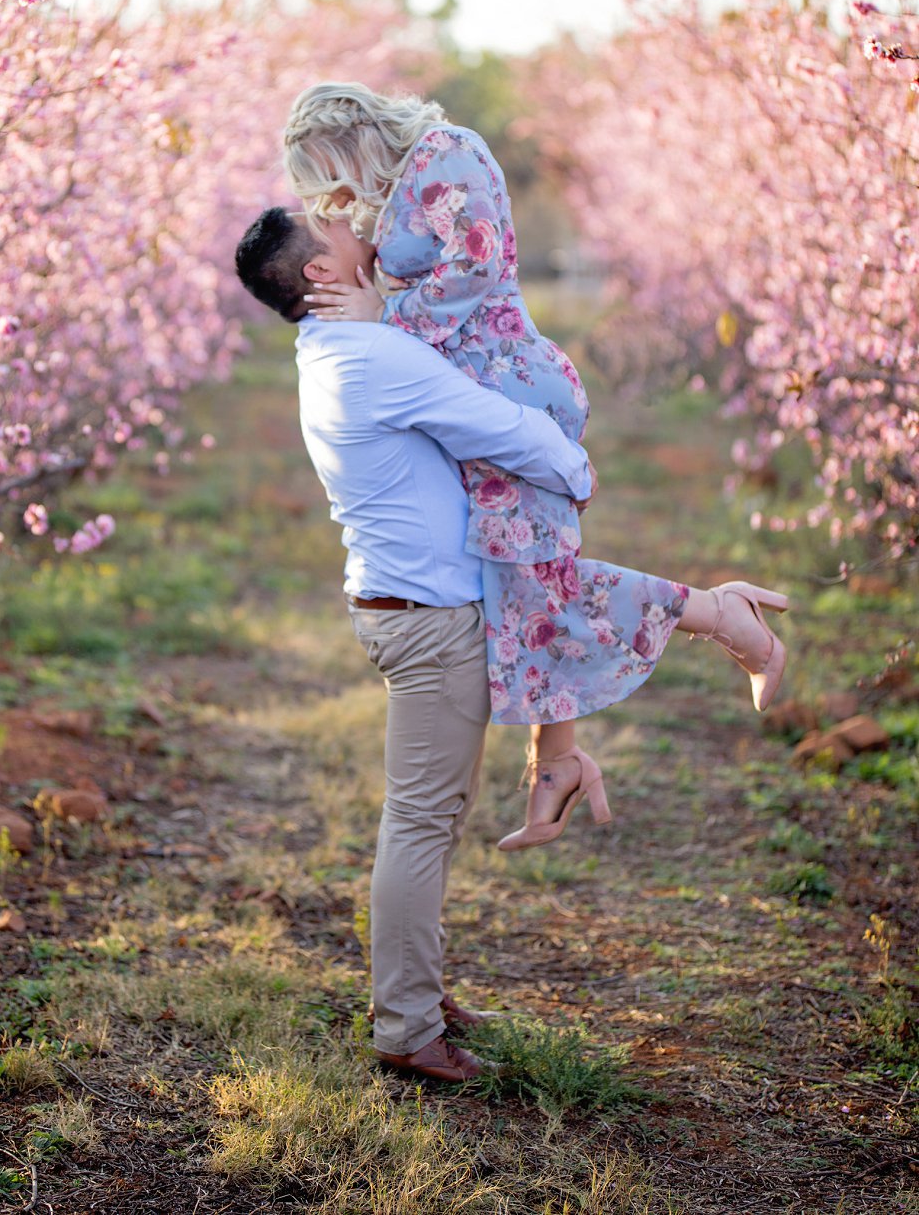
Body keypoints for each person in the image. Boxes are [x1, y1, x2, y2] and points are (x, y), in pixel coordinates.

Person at [282, 82, 788, 849]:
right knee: (525, 581)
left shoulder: (450, 153)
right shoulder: (389, 197)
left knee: (534, 578)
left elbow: (474, 272)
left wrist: (382, 318)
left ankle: (723, 618)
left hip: (516, 387)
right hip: (470, 399)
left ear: (349, 135)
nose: (332, 196)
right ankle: (557, 762)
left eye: (326, 170)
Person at [234, 205, 599, 1082]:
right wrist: (576, 471)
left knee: (434, 816)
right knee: (422, 823)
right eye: (334, 225)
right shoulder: (369, 355)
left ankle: (418, 991)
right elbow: (496, 425)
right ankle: (404, 1028)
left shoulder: (338, 349)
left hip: (406, 608)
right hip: (430, 623)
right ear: (322, 274)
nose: (359, 225)